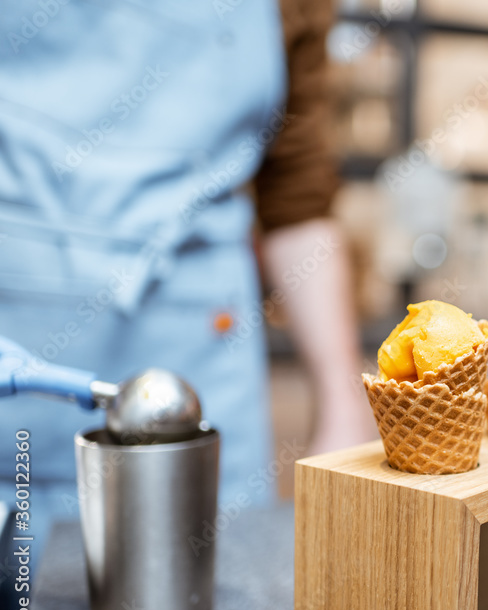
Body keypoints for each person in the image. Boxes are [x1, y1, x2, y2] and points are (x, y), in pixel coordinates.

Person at [0, 0, 374, 551]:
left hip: (200, 345)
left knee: (211, 606)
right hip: (18, 348)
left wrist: (345, 403)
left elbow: (296, 190)